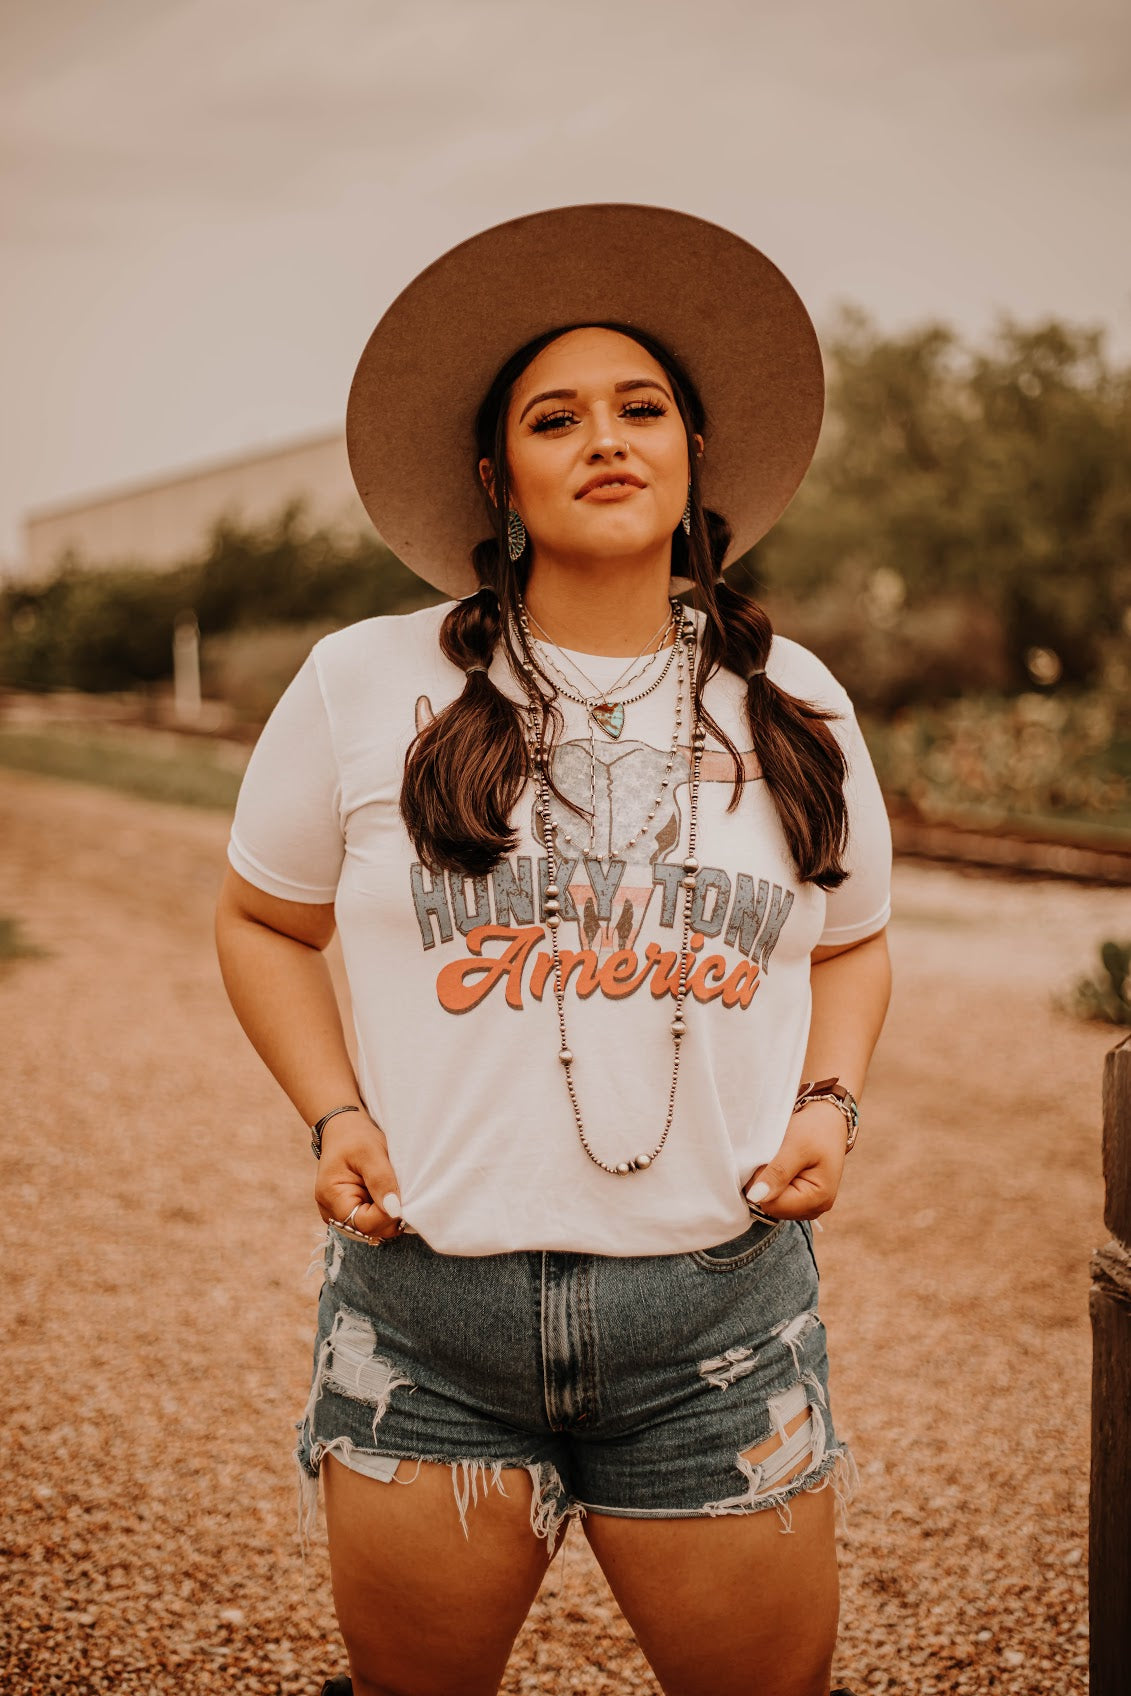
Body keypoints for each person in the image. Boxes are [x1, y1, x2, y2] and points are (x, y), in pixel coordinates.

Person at [214, 203, 892, 1696]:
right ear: (496, 472)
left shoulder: (797, 704)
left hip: (714, 1326)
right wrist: (333, 1111)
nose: (607, 437)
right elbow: (265, 917)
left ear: (694, 454)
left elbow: (852, 942)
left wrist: (828, 1109)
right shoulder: (363, 682)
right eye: (555, 415)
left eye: (642, 407)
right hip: (426, 1324)